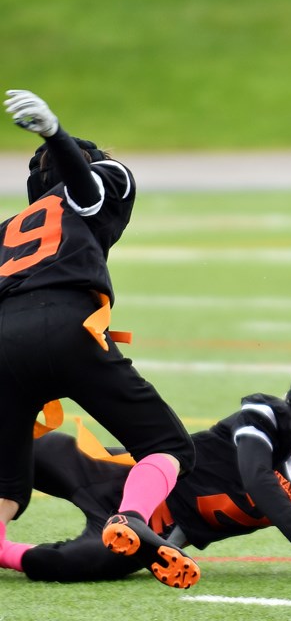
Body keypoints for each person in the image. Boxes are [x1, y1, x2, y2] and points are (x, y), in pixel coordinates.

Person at [0, 89, 203, 588]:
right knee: (169, 446)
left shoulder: (8, 229)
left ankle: (9, 552)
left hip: (4, 343)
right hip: (69, 325)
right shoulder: (96, 182)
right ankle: (129, 517)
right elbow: (88, 191)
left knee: (6, 480)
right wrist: (54, 133)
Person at [0, 349, 291, 582]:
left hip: (157, 535)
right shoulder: (266, 416)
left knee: (76, 564)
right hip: (124, 477)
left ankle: (3, 552)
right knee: (26, 451)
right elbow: (257, 478)